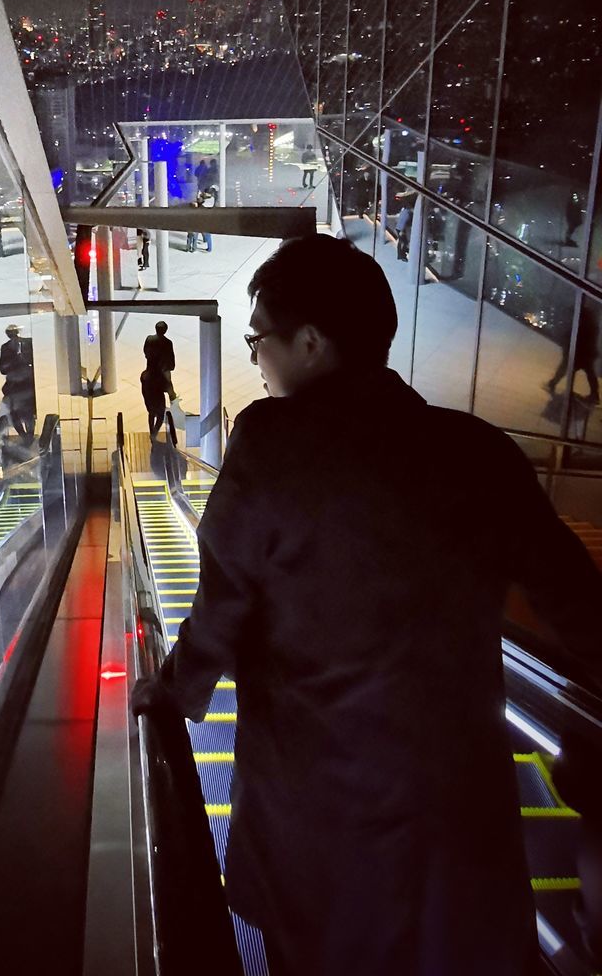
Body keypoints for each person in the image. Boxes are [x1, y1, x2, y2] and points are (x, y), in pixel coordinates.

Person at [132, 234, 602, 976]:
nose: (257, 360)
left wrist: (176, 689)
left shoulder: (271, 442)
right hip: (459, 823)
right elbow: (577, 604)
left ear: (311, 343)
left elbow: (225, 602)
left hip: (320, 829)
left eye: (260, 341)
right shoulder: (479, 450)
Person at [545, 305, 600, 404]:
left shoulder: (582, 324)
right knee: (588, 373)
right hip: (586, 353)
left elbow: (573, 335)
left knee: (567, 368)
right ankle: (594, 395)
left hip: (579, 352)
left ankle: (554, 384)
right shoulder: (592, 324)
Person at [0, 324, 36, 443]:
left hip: (27, 383)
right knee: (14, 413)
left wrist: (24, 362)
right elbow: (3, 369)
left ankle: (29, 436)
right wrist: (15, 362)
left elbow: (33, 360)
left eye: (14, 332)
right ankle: (24, 436)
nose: (13, 336)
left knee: (28, 412)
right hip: (14, 385)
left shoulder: (28, 343)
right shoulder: (5, 348)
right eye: (10, 333)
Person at [143, 320, 177, 401]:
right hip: (162, 371)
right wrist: (170, 367)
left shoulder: (149, 338)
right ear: (165, 330)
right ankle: (173, 404)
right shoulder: (168, 343)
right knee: (170, 391)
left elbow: (145, 351)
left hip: (150, 369)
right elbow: (170, 357)